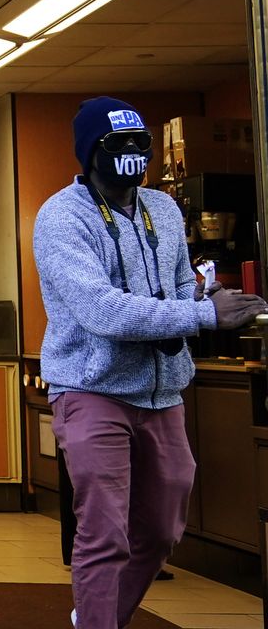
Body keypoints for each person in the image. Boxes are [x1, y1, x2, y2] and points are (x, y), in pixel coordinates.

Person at [34, 96, 268, 629]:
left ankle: (101, 617)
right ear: (90, 152)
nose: (134, 155)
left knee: (163, 529)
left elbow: (182, 284)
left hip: (163, 393)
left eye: (142, 145)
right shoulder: (61, 217)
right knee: (105, 529)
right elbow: (102, 311)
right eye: (119, 146)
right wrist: (203, 316)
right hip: (91, 389)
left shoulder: (161, 207)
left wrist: (203, 300)